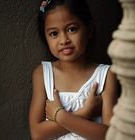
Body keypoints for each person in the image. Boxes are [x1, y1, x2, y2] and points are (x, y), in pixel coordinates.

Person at [29, 0, 119, 139]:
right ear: (45, 37)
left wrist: (60, 116)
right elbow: (37, 134)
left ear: (89, 29)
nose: (64, 40)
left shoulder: (106, 75)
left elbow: (109, 135)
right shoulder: (42, 74)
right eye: (54, 33)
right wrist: (85, 112)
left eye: (72, 29)